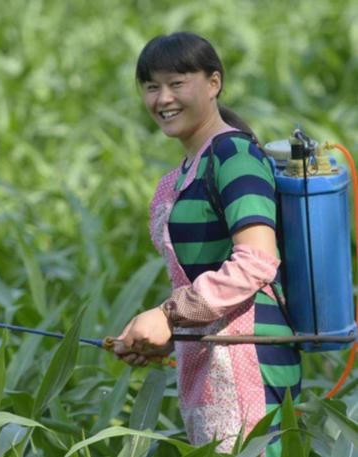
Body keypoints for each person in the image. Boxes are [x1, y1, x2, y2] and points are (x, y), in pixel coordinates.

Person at [113, 32, 301, 456]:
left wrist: (169, 314)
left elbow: (256, 261)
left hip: (251, 359)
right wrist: (170, 332)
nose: (163, 98)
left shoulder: (233, 154)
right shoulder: (180, 174)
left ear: (213, 83)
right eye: (151, 87)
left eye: (177, 83)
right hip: (212, 359)